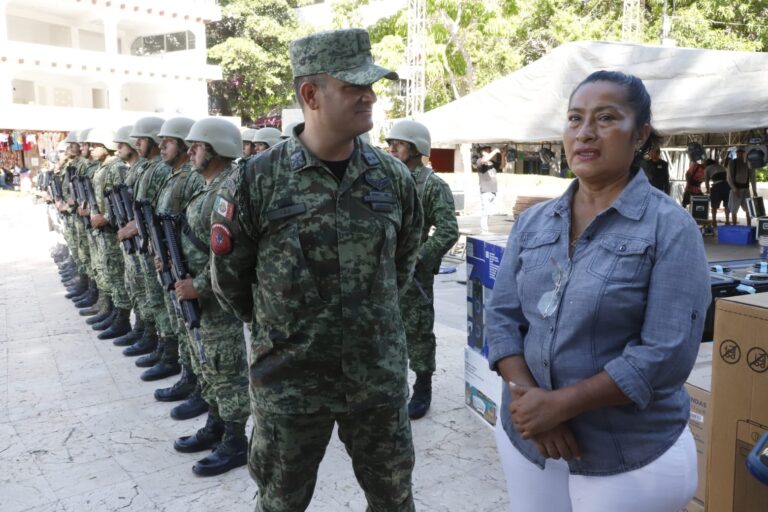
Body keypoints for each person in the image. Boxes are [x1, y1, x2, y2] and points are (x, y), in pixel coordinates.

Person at [210, 28, 423, 512]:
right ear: (311, 94)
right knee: (281, 502)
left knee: (393, 500)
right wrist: (288, 331)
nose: (369, 96)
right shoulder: (255, 181)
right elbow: (231, 283)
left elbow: (402, 265)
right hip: (290, 384)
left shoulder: (392, 178)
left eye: (371, 85)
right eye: (353, 86)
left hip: (376, 380)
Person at [486, 70, 710, 512]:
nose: (585, 133)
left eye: (606, 118)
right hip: (528, 438)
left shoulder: (670, 227)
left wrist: (560, 406)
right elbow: (502, 318)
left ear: (640, 134)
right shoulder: (534, 222)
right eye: (575, 119)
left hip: (626, 456)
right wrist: (531, 403)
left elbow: (665, 353)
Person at [172, 117, 250, 476]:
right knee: (207, 365)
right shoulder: (207, 188)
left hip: (219, 300)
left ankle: (236, 442)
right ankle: (216, 426)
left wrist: (199, 285)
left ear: (216, 149)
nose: (190, 152)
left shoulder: (225, 192)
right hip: (199, 297)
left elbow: (233, 256)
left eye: (197, 146)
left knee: (225, 368)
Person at [386, 119, 459, 419]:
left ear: (416, 149)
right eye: (390, 143)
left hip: (414, 275)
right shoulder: (385, 179)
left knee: (417, 331)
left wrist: (419, 259)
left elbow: (448, 230)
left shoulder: (432, 186)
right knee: (386, 331)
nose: (391, 149)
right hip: (384, 270)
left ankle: (422, 387)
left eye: (398, 144)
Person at [727, 147, 757, 226]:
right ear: (736, 153)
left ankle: (749, 226)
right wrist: (734, 189)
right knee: (734, 209)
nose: (740, 154)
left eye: (742, 152)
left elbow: (753, 177)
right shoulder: (732, 162)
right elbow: (729, 177)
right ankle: (734, 226)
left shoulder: (748, 163)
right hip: (736, 188)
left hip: (746, 189)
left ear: (745, 153)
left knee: (748, 209)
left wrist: (754, 190)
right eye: (738, 152)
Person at [477, 145, 500, 233]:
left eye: (490, 150)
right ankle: (484, 230)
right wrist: (495, 151)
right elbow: (484, 160)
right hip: (486, 190)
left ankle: (485, 229)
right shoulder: (480, 161)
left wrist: (504, 153)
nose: (490, 151)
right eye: (488, 150)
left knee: (489, 212)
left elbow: (502, 165)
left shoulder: (492, 162)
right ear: (483, 152)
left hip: (493, 190)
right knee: (485, 211)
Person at [704, 157, 730, 228]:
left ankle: (714, 221)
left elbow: (706, 182)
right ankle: (727, 221)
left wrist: (708, 190)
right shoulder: (721, 166)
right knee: (727, 204)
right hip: (727, 185)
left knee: (714, 205)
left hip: (717, 186)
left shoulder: (707, 169)